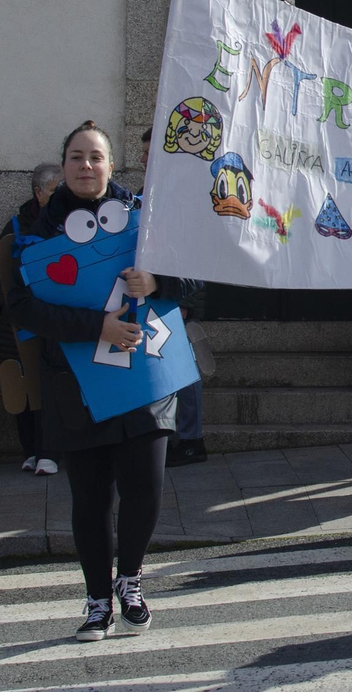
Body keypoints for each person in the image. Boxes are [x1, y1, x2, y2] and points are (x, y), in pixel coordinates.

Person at [7, 121, 197, 642]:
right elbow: (22, 308)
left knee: (146, 489)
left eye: (96, 157)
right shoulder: (36, 231)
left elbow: (195, 280)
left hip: (146, 379)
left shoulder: (146, 218)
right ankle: (97, 600)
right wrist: (98, 327)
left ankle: (130, 580)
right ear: (64, 165)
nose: (86, 166)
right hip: (77, 387)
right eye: (76, 157)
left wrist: (157, 280)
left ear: (112, 165)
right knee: (91, 500)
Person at [0, 162, 62, 476]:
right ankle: (30, 451)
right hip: (20, 325)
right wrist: (10, 307)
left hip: (55, 321)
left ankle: (49, 452)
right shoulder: (17, 226)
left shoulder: (72, 222)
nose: (61, 196)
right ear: (39, 194)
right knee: (23, 386)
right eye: (55, 191)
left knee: (52, 385)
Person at [140, 127, 209, 468]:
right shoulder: (145, 193)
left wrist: (186, 305)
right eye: (142, 153)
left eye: (149, 152)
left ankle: (192, 441)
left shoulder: (186, 196)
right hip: (151, 299)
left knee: (184, 374)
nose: (142, 159)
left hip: (177, 300)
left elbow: (199, 257)